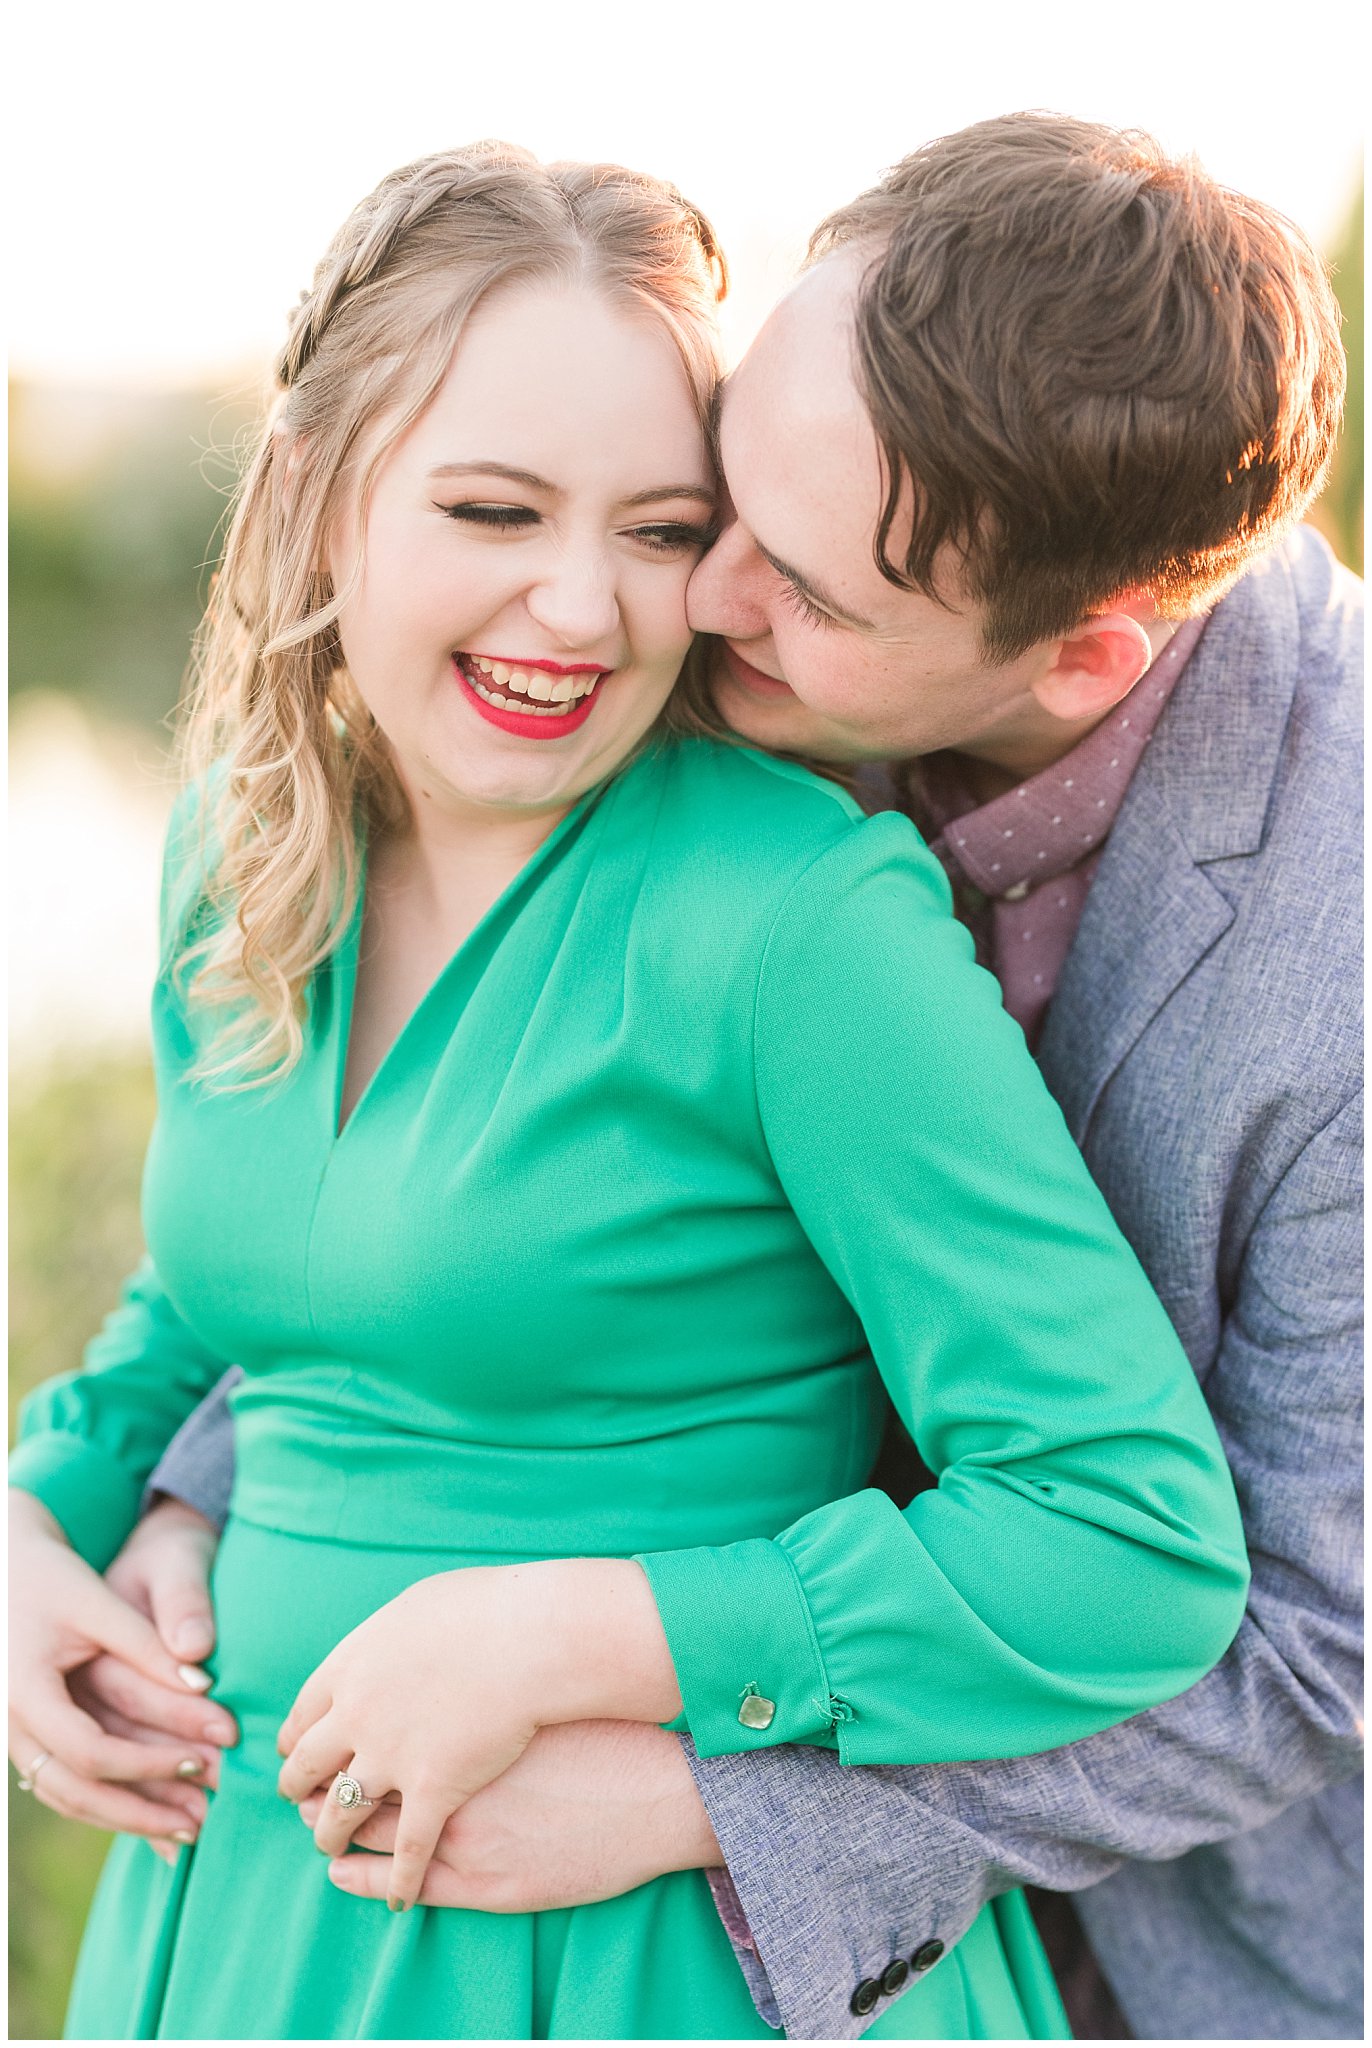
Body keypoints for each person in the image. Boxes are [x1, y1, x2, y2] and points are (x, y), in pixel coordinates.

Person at [121, 118, 1365, 2044]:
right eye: (723, 506)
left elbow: (1286, 1626)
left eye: (703, 544)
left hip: (1184, 1921)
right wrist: (135, 1507)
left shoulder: (1302, 959)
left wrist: (690, 1777)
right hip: (299, 1870)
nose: (664, 620)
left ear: (1080, 655)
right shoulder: (645, 687)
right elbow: (460, 1216)